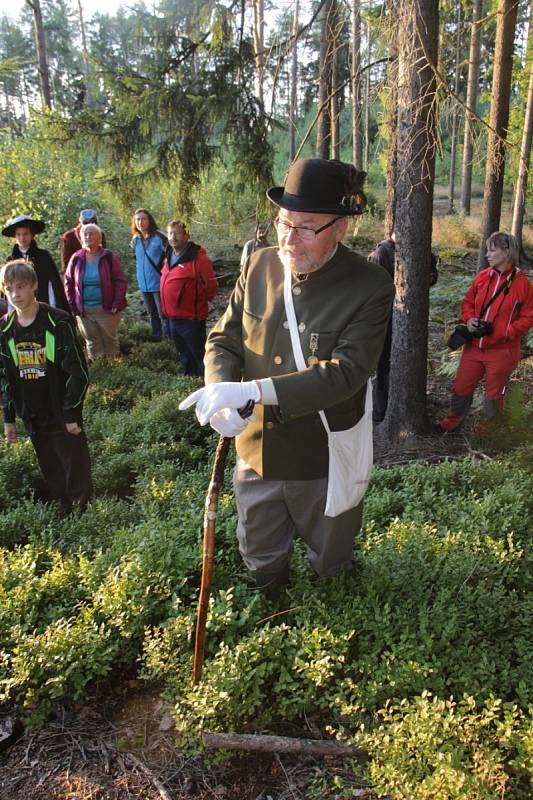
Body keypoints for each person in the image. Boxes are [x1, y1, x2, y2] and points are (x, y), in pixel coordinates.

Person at [179, 158, 394, 600]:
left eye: (305, 227)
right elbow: (225, 339)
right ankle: (271, 606)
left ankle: (335, 619)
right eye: (283, 222)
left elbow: (346, 373)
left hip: (323, 455)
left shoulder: (370, 286)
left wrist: (253, 390)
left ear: (341, 228)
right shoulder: (259, 266)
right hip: (255, 449)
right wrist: (223, 392)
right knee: (259, 550)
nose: (288, 237)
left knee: (331, 555)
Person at [0, 260, 93, 510]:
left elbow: (79, 372)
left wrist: (71, 413)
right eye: (9, 288)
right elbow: (5, 378)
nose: (15, 294)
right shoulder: (5, 329)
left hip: (61, 412)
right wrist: (9, 418)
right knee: (50, 467)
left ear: (34, 286)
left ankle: (84, 514)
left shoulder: (58, 321)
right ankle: (63, 510)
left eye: (21, 286)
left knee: (75, 465)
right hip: (32, 414)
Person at [439, 231, 533, 436]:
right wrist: (470, 319)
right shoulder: (483, 277)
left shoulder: (522, 284)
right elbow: (468, 303)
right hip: (474, 346)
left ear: (506, 252)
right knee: (461, 386)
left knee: (493, 394)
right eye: (487, 250)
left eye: (492, 250)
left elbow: (528, 317)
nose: (487, 254)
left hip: (502, 350)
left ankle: (488, 433)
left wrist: (505, 332)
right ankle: (451, 424)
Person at [368, 231, 439, 423]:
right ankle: (379, 411)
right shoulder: (382, 253)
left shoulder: (420, 249)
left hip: (411, 317)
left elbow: (433, 275)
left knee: (405, 361)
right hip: (386, 317)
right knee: (385, 363)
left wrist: (428, 277)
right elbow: (372, 288)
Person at [160, 220, 218, 376]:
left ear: (187, 235)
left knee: (199, 353)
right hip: (172, 317)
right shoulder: (169, 254)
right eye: (170, 233)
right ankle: (189, 379)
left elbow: (211, 286)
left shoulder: (199, 258)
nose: (173, 237)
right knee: (183, 352)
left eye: (177, 233)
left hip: (191, 319)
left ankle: (207, 381)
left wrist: (197, 304)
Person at [64, 223, 127, 361]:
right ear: (81, 239)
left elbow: (120, 281)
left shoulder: (109, 257)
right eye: (85, 234)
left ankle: (115, 371)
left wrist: (116, 303)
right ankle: (99, 371)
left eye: (92, 233)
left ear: (99, 238)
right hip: (84, 310)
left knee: (110, 341)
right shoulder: (76, 258)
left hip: (107, 309)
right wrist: (72, 305)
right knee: (92, 343)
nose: (88, 236)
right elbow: (68, 282)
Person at [2, 214, 69, 313]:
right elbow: (7, 287)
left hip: (42, 304)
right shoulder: (11, 259)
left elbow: (52, 284)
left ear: (32, 235)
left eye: (25, 234)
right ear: (14, 236)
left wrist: (53, 306)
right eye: (19, 234)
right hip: (19, 307)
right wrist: (11, 311)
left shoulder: (43, 256)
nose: (22, 238)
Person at [130, 208, 168, 341]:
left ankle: (169, 339)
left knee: (163, 314)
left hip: (159, 283)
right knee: (152, 314)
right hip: (144, 284)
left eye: (144, 218)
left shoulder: (160, 237)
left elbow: (172, 256)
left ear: (149, 220)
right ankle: (157, 338)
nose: (141, 222)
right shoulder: (135, 240)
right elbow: (137, 260)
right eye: (138, 219)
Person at [60, 209, 107, 273]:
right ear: (80, 223)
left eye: (92, 222)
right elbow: (66, 264)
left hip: (97, 272)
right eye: (85, 223)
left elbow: (103, 257)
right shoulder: (69, 237)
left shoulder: (100, 235)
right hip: (76, 275)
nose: (89, 225)